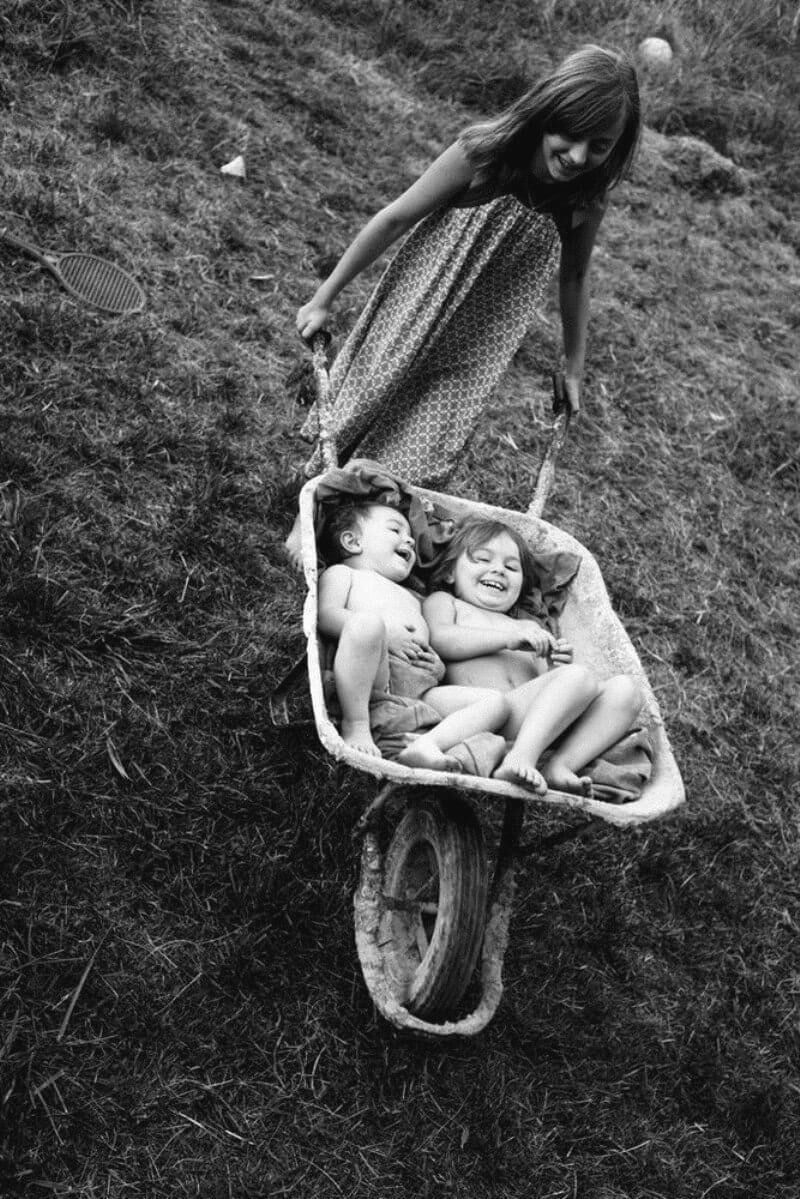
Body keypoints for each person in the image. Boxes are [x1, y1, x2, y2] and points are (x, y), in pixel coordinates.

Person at [287, 44, 641, 562]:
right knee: (369, 395)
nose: (579, 156)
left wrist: (574, 366)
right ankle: (318, 503)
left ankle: (366, 525)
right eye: (569, 134)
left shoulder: (584, 198)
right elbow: (393, 218)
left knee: (427, 436)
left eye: (600, 145)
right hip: (422, 304)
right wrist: (325, 297)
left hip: (479, 340)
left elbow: (577, 275)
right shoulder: (482, 156)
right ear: (546, 112)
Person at [317, 501, 601, 788]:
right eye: (395, 530)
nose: (410, 540)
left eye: (411, 539)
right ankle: (357, 726)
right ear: (352, 541)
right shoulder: (345, 574)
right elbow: (327, 615)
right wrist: (387, 632)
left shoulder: (417, 598)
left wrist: (437, 665)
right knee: (366, 625)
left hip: (421, 690)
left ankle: (427, 745)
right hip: (375, 673)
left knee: (493, 702)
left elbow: (440, 648)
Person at [422, 517, 644, 793]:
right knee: (577, 676)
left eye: (511, 567)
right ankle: (520, 757)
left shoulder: (528, 627)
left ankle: (560, 764)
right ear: (449, 574)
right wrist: (508, 640)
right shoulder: (445, 602)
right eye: (482, 559)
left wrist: (554, 667)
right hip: (483, 714)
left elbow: (547, 689)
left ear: (522, 584)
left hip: (533, 724)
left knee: (627, 690)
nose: (498, 570)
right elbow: (441, 639)